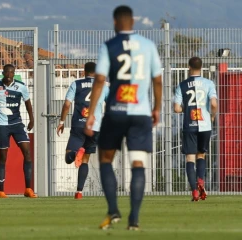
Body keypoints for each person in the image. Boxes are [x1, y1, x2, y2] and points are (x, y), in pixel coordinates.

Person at [84, 5, 162, 230]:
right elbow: (157, 80)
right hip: (140, 114)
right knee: (138, 164)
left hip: (116, 112)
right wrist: (156, 108)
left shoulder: (109, 46)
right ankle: (134, 219)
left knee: (106, 159)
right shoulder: (148, 46)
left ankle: (113, 210)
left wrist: (90, 114)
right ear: (133, 22)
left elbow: (99, 80)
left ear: (115, 22)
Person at [56, 62, 109, 199]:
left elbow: (67, 104)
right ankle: (79, 192)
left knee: (69, 158)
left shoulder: (76, 84)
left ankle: (75, 153)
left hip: (79, 126)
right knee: (85, 160)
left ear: (84, 72)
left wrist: (61, 122)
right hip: (95, 128)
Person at [0, 64, 36, 198]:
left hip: (17, 124)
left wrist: (32, 119)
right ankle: (1, 191)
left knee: (27, 152)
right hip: (1, 125)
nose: (9, 75)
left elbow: (27, 103)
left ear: (14, 74)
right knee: (3, 156)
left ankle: (28, 189)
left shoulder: (21, 86)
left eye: (11, 72)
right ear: (3, 72)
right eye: (7, 72)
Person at [174, 57, 218, 201]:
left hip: (189, 125)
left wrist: (185, 109)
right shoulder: (209, 83)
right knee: (201, 155)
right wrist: (212, 116)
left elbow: (176, 108)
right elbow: (213, 103)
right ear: (202, 67)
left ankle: (194, 191)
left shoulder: (182, 85)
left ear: (189, 67)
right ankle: (200, 180)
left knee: (189, 158)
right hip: (205, 125)